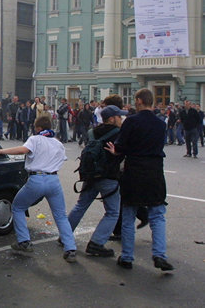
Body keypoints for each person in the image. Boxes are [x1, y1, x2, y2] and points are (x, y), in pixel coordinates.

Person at [0, 115, 77, 263]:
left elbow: (22, 150)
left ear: (38, 128)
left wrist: (0, 151)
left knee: (17, 207)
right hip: (53, 179)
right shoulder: (57, 143)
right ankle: (70, 248)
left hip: (36, 178)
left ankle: (24, 241)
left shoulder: (35, 139)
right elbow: (61, 160)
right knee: (61, 216)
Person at [104, 88, 174, 271]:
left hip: (134, 171)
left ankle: (127, 257)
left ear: (140, 100)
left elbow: (121, 146)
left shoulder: (131, 122)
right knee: (157, 215)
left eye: (136, 100)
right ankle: (159, 254)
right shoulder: (160, 124)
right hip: (155, 172)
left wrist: (115, 150)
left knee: (128, 215)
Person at [67, 105, 127, 257]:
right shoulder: (118, 134)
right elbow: (122, 154)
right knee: (113, 212)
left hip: (90, 174)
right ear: (112, 119)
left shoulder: (92, 132)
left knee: (81, 205)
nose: (121, 119)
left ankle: (65, 236)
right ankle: (96, 243)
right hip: (108, 176)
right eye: (119, 117)